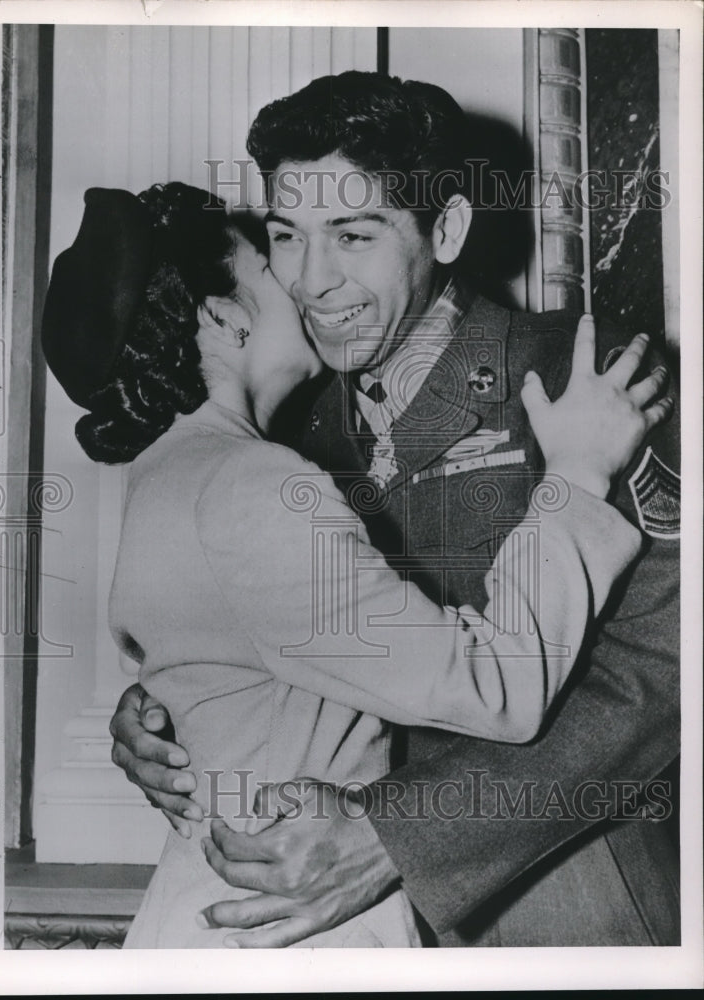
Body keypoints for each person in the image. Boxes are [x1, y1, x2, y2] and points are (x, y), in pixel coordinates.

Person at [109, 72, 681, 948]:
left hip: (556, 906)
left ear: (444, 229)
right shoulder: (285, 425)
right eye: (285, 237)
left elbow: (664, 673)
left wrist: (401, 835)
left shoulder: (581, 375)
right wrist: (166, 715)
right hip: (338, 928)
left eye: (352, 235)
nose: (311, 280)